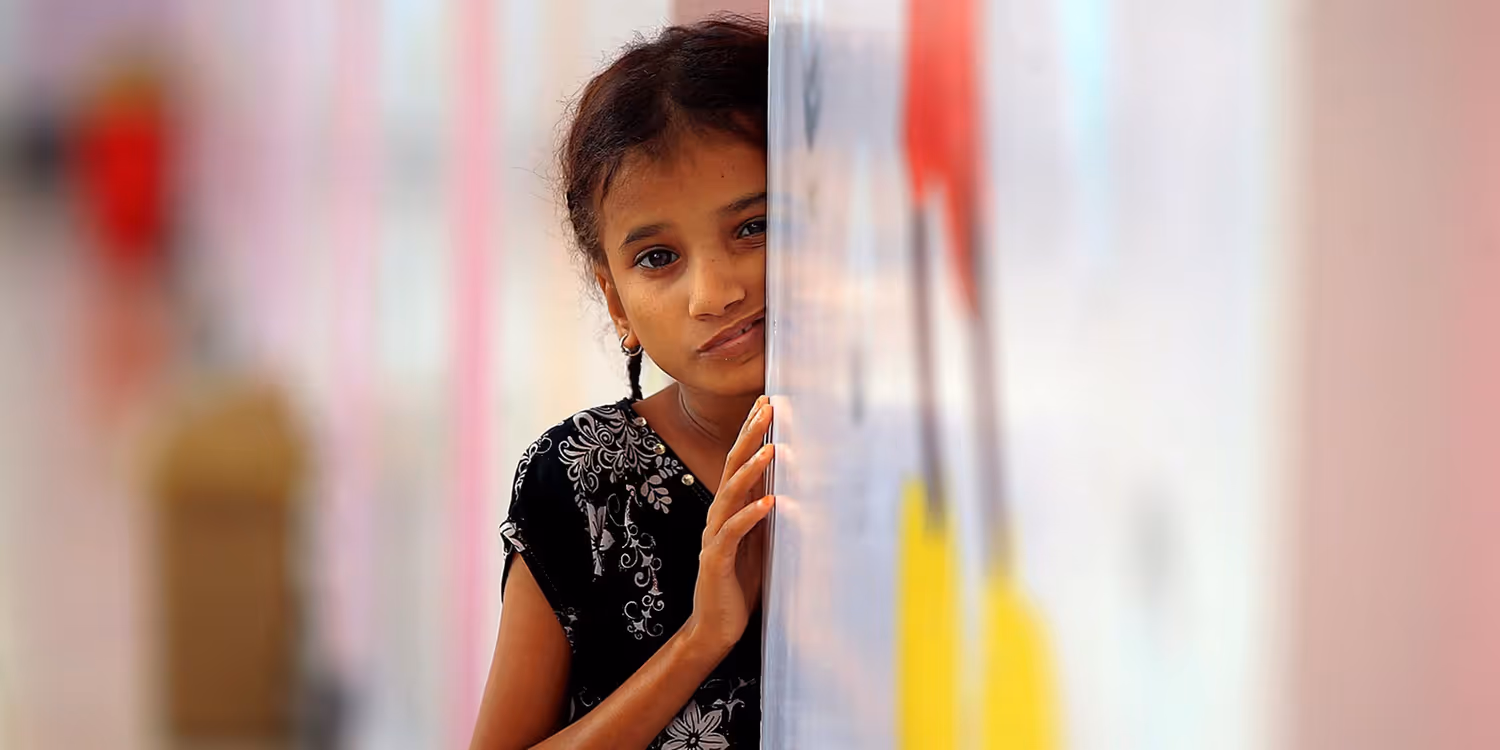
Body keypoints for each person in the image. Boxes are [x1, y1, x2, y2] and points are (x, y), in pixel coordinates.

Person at [470, 17, 773, 750]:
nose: (714, 292)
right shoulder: (576, 482)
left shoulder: (885, 454)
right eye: (660, 257)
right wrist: (700, 640)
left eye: (753, 227)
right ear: (615, 302)